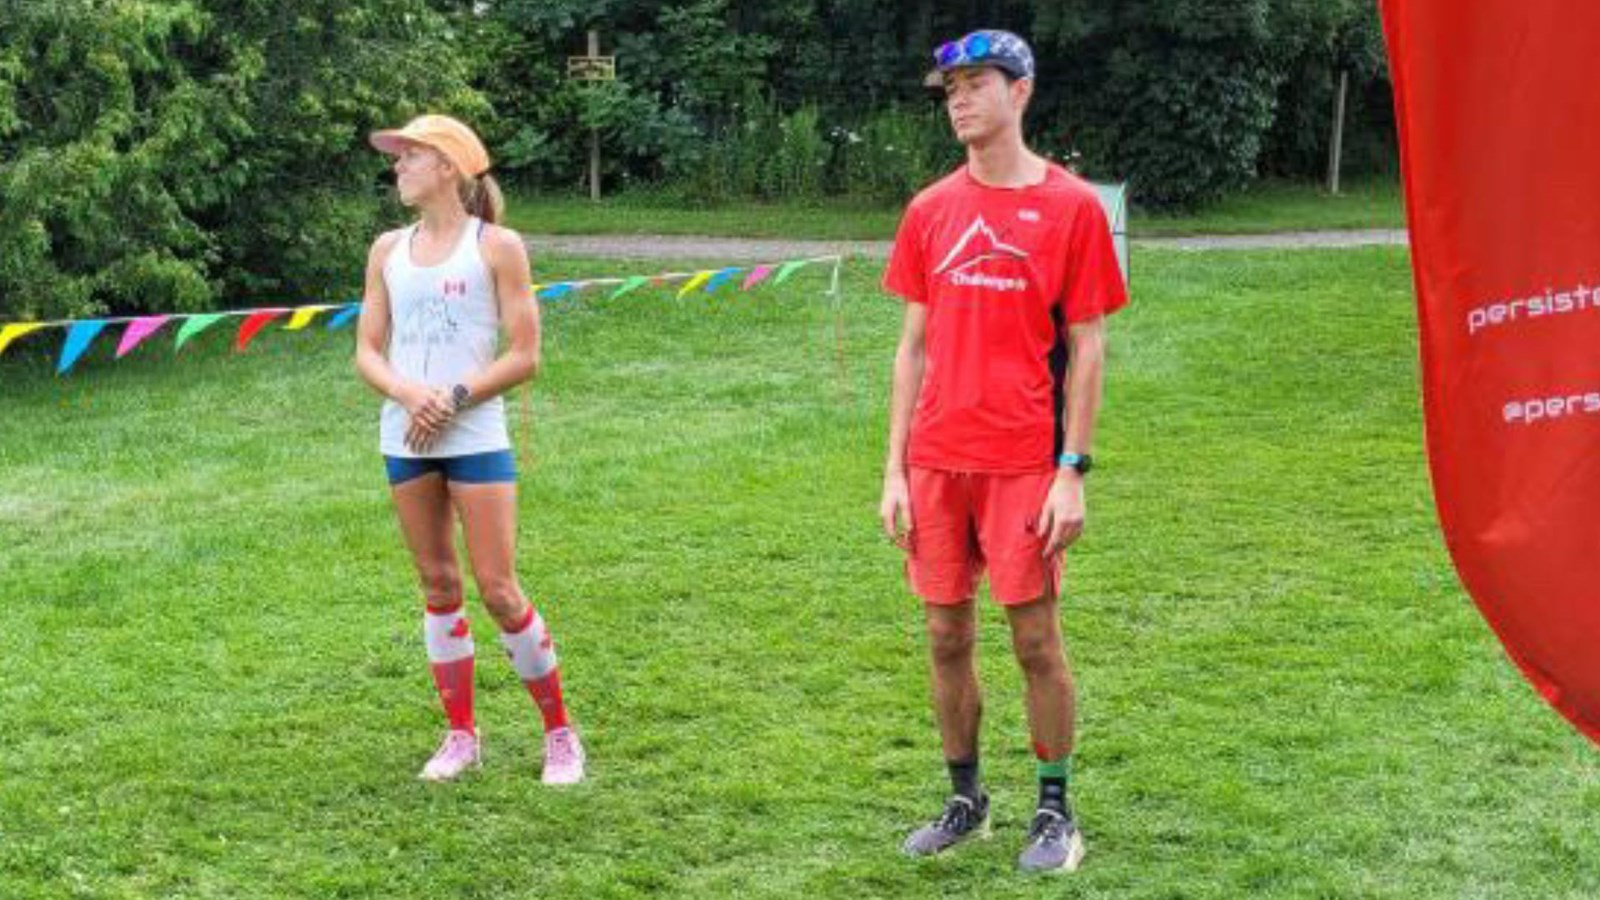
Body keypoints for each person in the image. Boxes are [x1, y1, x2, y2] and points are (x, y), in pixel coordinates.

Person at [879, 30, 1128, 873]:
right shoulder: (929, 209)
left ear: (1020, 92)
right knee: (946, 636)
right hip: (936, 460)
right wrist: (893, 470)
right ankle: (965, 800)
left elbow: (1088, 348)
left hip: (1026, 461)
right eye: (949, 87)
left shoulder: (1073, 207)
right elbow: (911, 347)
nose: (958, 99)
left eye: (976, 83)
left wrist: (1073, 471)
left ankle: (1055, 811)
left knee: (1035, 641)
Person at [355, 114, 584, 785]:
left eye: (409, 156)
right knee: (437, 585)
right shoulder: (386, 249)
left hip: (475, 435)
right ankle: (461, 735)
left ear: (448, 167)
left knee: (499, 589)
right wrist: (406, 393)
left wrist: (450, 398)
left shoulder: (497, 246)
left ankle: (560, 735)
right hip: (405, 437)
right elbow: (367, 350)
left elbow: (526, 356)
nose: (397, 166)